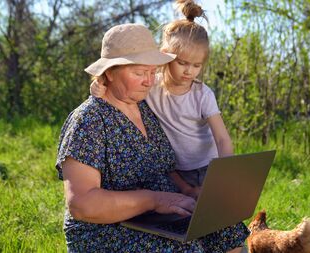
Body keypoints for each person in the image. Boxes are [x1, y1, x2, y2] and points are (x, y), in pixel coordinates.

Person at [56, 23, 248, 252]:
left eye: (151, 72)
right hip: (108, 230)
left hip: (156, 216)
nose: (149, 81)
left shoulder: (146, 109)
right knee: (183, 248)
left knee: (227, 226)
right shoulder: (88, 121)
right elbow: (82, 205)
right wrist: (155, 200)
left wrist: (188, 192)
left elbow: (165, 168)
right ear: (109, 72)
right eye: (139, 73)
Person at [90, 0, 234, 200]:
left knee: (214, 213)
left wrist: (225, 172)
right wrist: (99, 85)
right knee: (183, 216)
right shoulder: (151, 85)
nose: (188, 71)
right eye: (182, 63)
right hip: (174, 170)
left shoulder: (202, 94)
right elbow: (122, 86)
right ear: (165, 56)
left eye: (196, 65)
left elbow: (222, 138)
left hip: (206, 167)